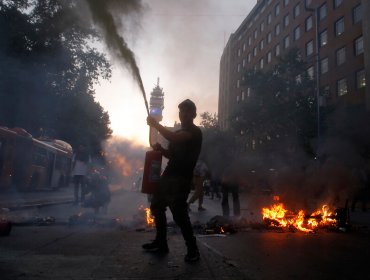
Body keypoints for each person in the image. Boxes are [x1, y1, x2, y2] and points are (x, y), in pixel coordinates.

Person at [142, 99, 202, 263]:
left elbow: (176, 138)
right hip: (169, 175)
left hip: (181, 178)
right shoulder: (179, 132)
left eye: (187, 111)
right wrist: (162, 150)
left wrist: (155, 125)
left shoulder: (194, 132)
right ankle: (161, 243)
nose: (183, 114)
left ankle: (193, 250)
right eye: (181, 111)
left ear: (193, 114)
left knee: (179, 214)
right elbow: (172, 154)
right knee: (156, 206)